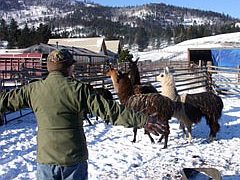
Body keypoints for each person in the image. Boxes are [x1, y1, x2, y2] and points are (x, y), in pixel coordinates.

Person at [0, 49, 167, 180]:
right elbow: (112, 112)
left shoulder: (33, 90)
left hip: (45, 161)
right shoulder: (79, 90)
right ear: (69, 67)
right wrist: (143, 120)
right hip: (73, 160)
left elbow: (5, 101)